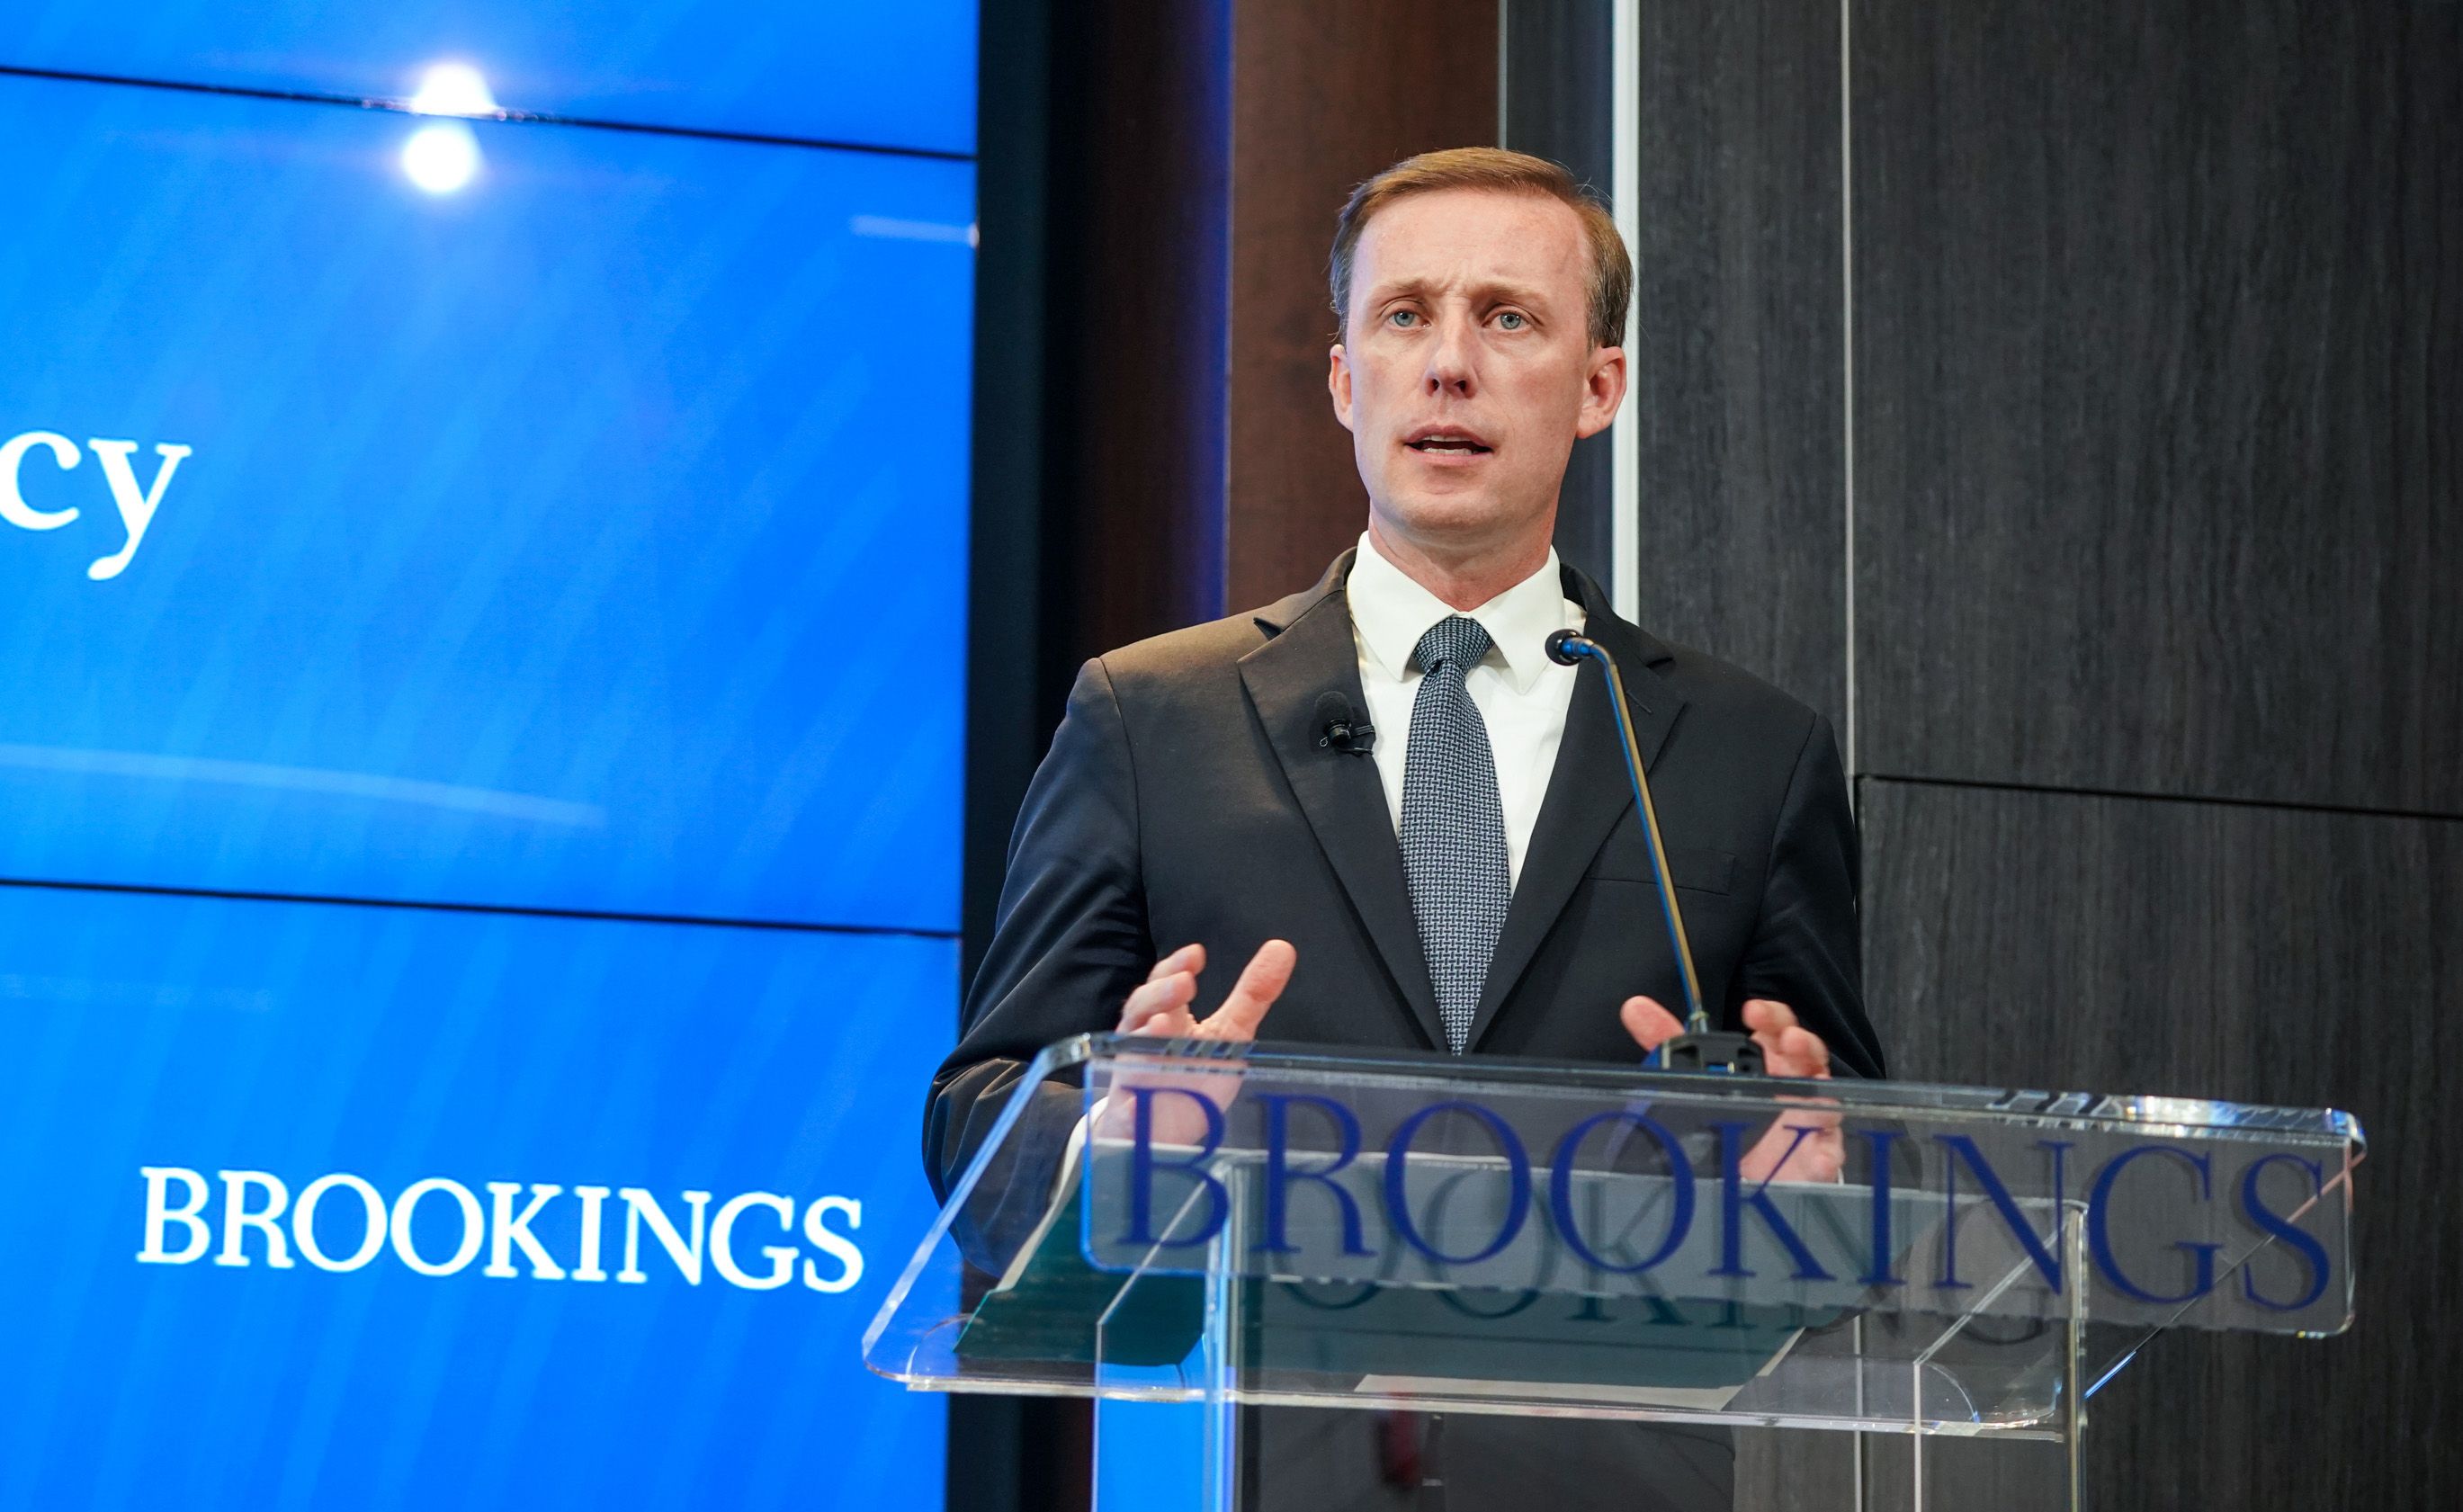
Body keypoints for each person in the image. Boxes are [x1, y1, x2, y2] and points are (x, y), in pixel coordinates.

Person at [926, 147, 1885, 1512]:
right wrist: (1114, 1141)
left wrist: (1814, 1174)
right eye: (1403, 316)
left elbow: (1858, 1163)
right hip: (1238, 1467)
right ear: (1342, 380)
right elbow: (973, 1131)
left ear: (1597, 385)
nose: (1448, 365)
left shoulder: (1751, 749)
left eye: (1506, 318)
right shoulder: (1150, 715)